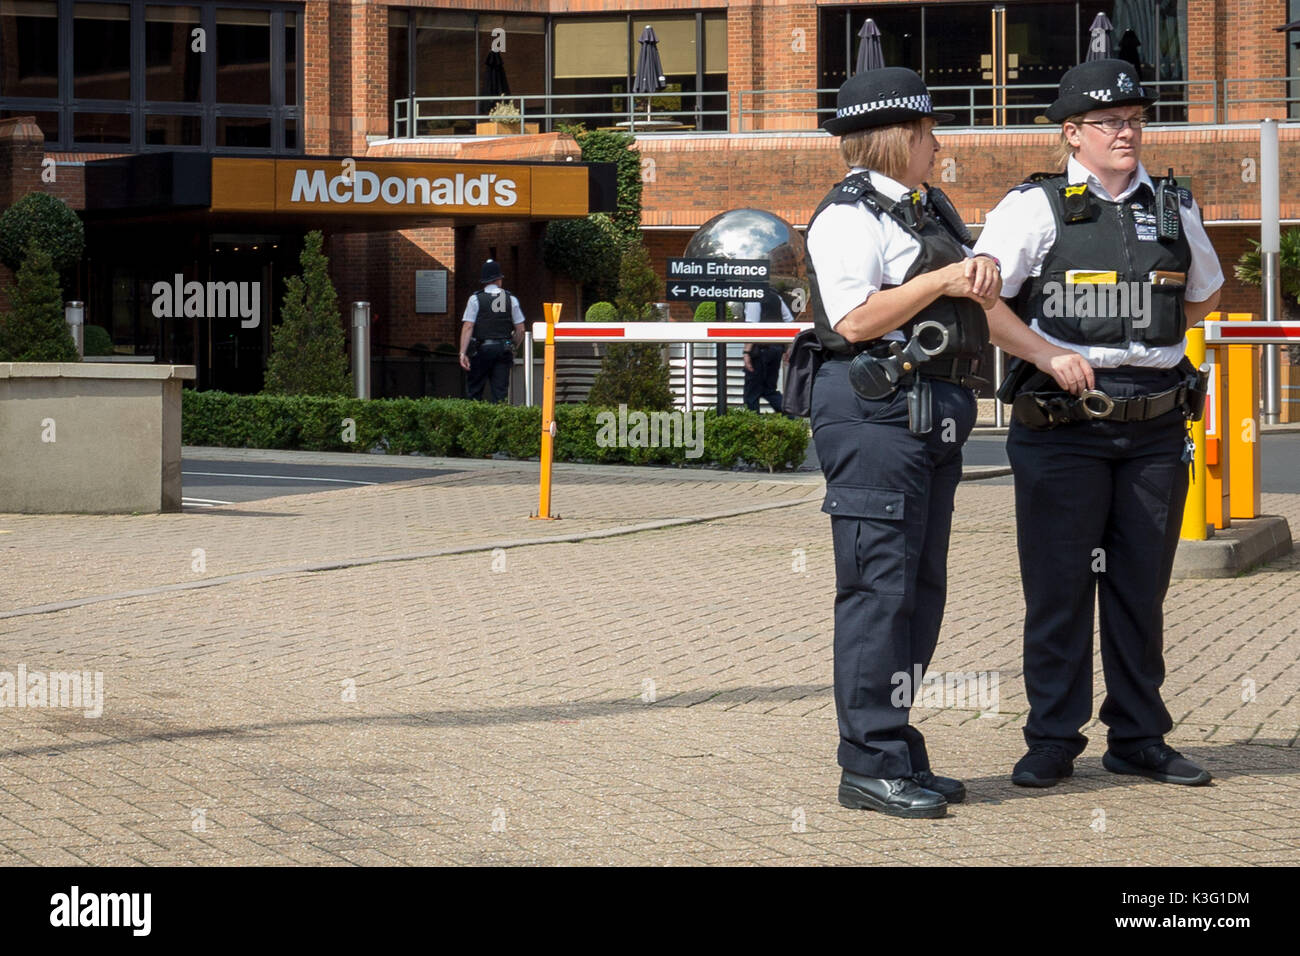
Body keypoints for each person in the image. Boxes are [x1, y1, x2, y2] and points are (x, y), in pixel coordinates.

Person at [974, 58, 1223, 788]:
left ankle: (1139, 737)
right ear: (1073, 133)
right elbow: (983, 302)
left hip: (1153, 426)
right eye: (1112, 122)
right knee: (1058, 588)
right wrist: (1048, 354)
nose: (1128, 132)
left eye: (1136, 120)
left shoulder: (1175, 204)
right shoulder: (1033, 207)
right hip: (1062, 424)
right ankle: (1053, 738)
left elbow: (1203, 295)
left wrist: (1148, 347)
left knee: (1141, 589)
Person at [804, 66, 1001, 818]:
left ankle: (896, 749)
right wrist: (946, 279)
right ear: (896, 140)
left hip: (929, 412)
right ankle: (868, 763)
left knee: (919, 591)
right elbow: (854, 320)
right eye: (927, 135)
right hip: (875, 413)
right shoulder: (849, 215)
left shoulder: (928, 208)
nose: (938, 146)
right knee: (878, 592)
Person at [459, 259, 525, 402]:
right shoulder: (511, 299)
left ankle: (474, 423)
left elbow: (468, 326)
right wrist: (513, 347)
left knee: (474, 392)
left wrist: (463, 352)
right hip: (503, 350)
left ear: (484, 281)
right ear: (499, 279)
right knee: (500, 394)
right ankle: (499, 423)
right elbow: (520, 330)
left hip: (481, 350)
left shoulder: (475, 299)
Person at [742, 289, 795, 412]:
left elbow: (753, 327)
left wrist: (746, 352)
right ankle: (791, 416)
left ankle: (752, 426)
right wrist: (788, 348)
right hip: (776, 349)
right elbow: (789, 322)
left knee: (751, 394)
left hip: (760, 351)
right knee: (769, 390)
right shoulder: (776, 297)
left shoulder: (754, 298)